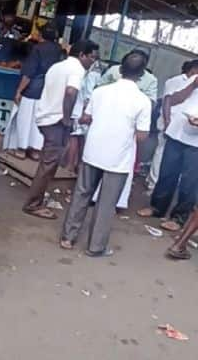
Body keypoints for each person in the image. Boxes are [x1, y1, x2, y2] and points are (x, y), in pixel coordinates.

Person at [60, 52, 151, 257]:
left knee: (81, 194)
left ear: (120, 69)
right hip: (117, 159)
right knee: (106, 203)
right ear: (142, 74)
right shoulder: (143, 101)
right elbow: (142, 136)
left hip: (92, 151)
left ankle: (68, 237)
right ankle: (95, 247)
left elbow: (86, 117)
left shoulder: (101, 91)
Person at [23, 40, 100, 220]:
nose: (93, 62)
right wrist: (66, 118)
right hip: (57, 121)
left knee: (48, 163)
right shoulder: (77, 69)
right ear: (82, 55)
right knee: (48, 165)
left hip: (46, 117)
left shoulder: (57, 66)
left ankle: (36, 200)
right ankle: (33, 205)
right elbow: (71, 92)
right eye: (92, 57)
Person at [137, 73, 198, 232]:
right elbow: (173, 99)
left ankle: (179, 217)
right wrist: (193, 85)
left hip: (196, 142)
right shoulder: (194, 79)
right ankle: (157, 207)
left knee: (189, 182)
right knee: (167, 173)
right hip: (177, 132)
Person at [3, 24, 62, 160]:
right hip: (48, 91)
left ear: (41, 35)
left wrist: (19, 90)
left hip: (32, 89)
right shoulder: (59, 50)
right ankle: (35, 151)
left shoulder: (37, 49)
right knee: (39, 120)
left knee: (24, 119)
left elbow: (29, 72)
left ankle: (21, 149)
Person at [147, 60, 198, 191]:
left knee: (185, 175)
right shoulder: (182, 81)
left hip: (192, 136)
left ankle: (179, 207)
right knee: (164, 164)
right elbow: (169, 100)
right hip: (173, 128)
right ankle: (154, 191)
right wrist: (167, 121)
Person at [64, 60, 103, 172]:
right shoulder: (95, 73)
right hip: (85, 110)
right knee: (81, 138)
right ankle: (78, 165)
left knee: (74, 137)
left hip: (81, 110)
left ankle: (71, 165)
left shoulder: (91, 74)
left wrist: (85, 112)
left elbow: (88, 95)